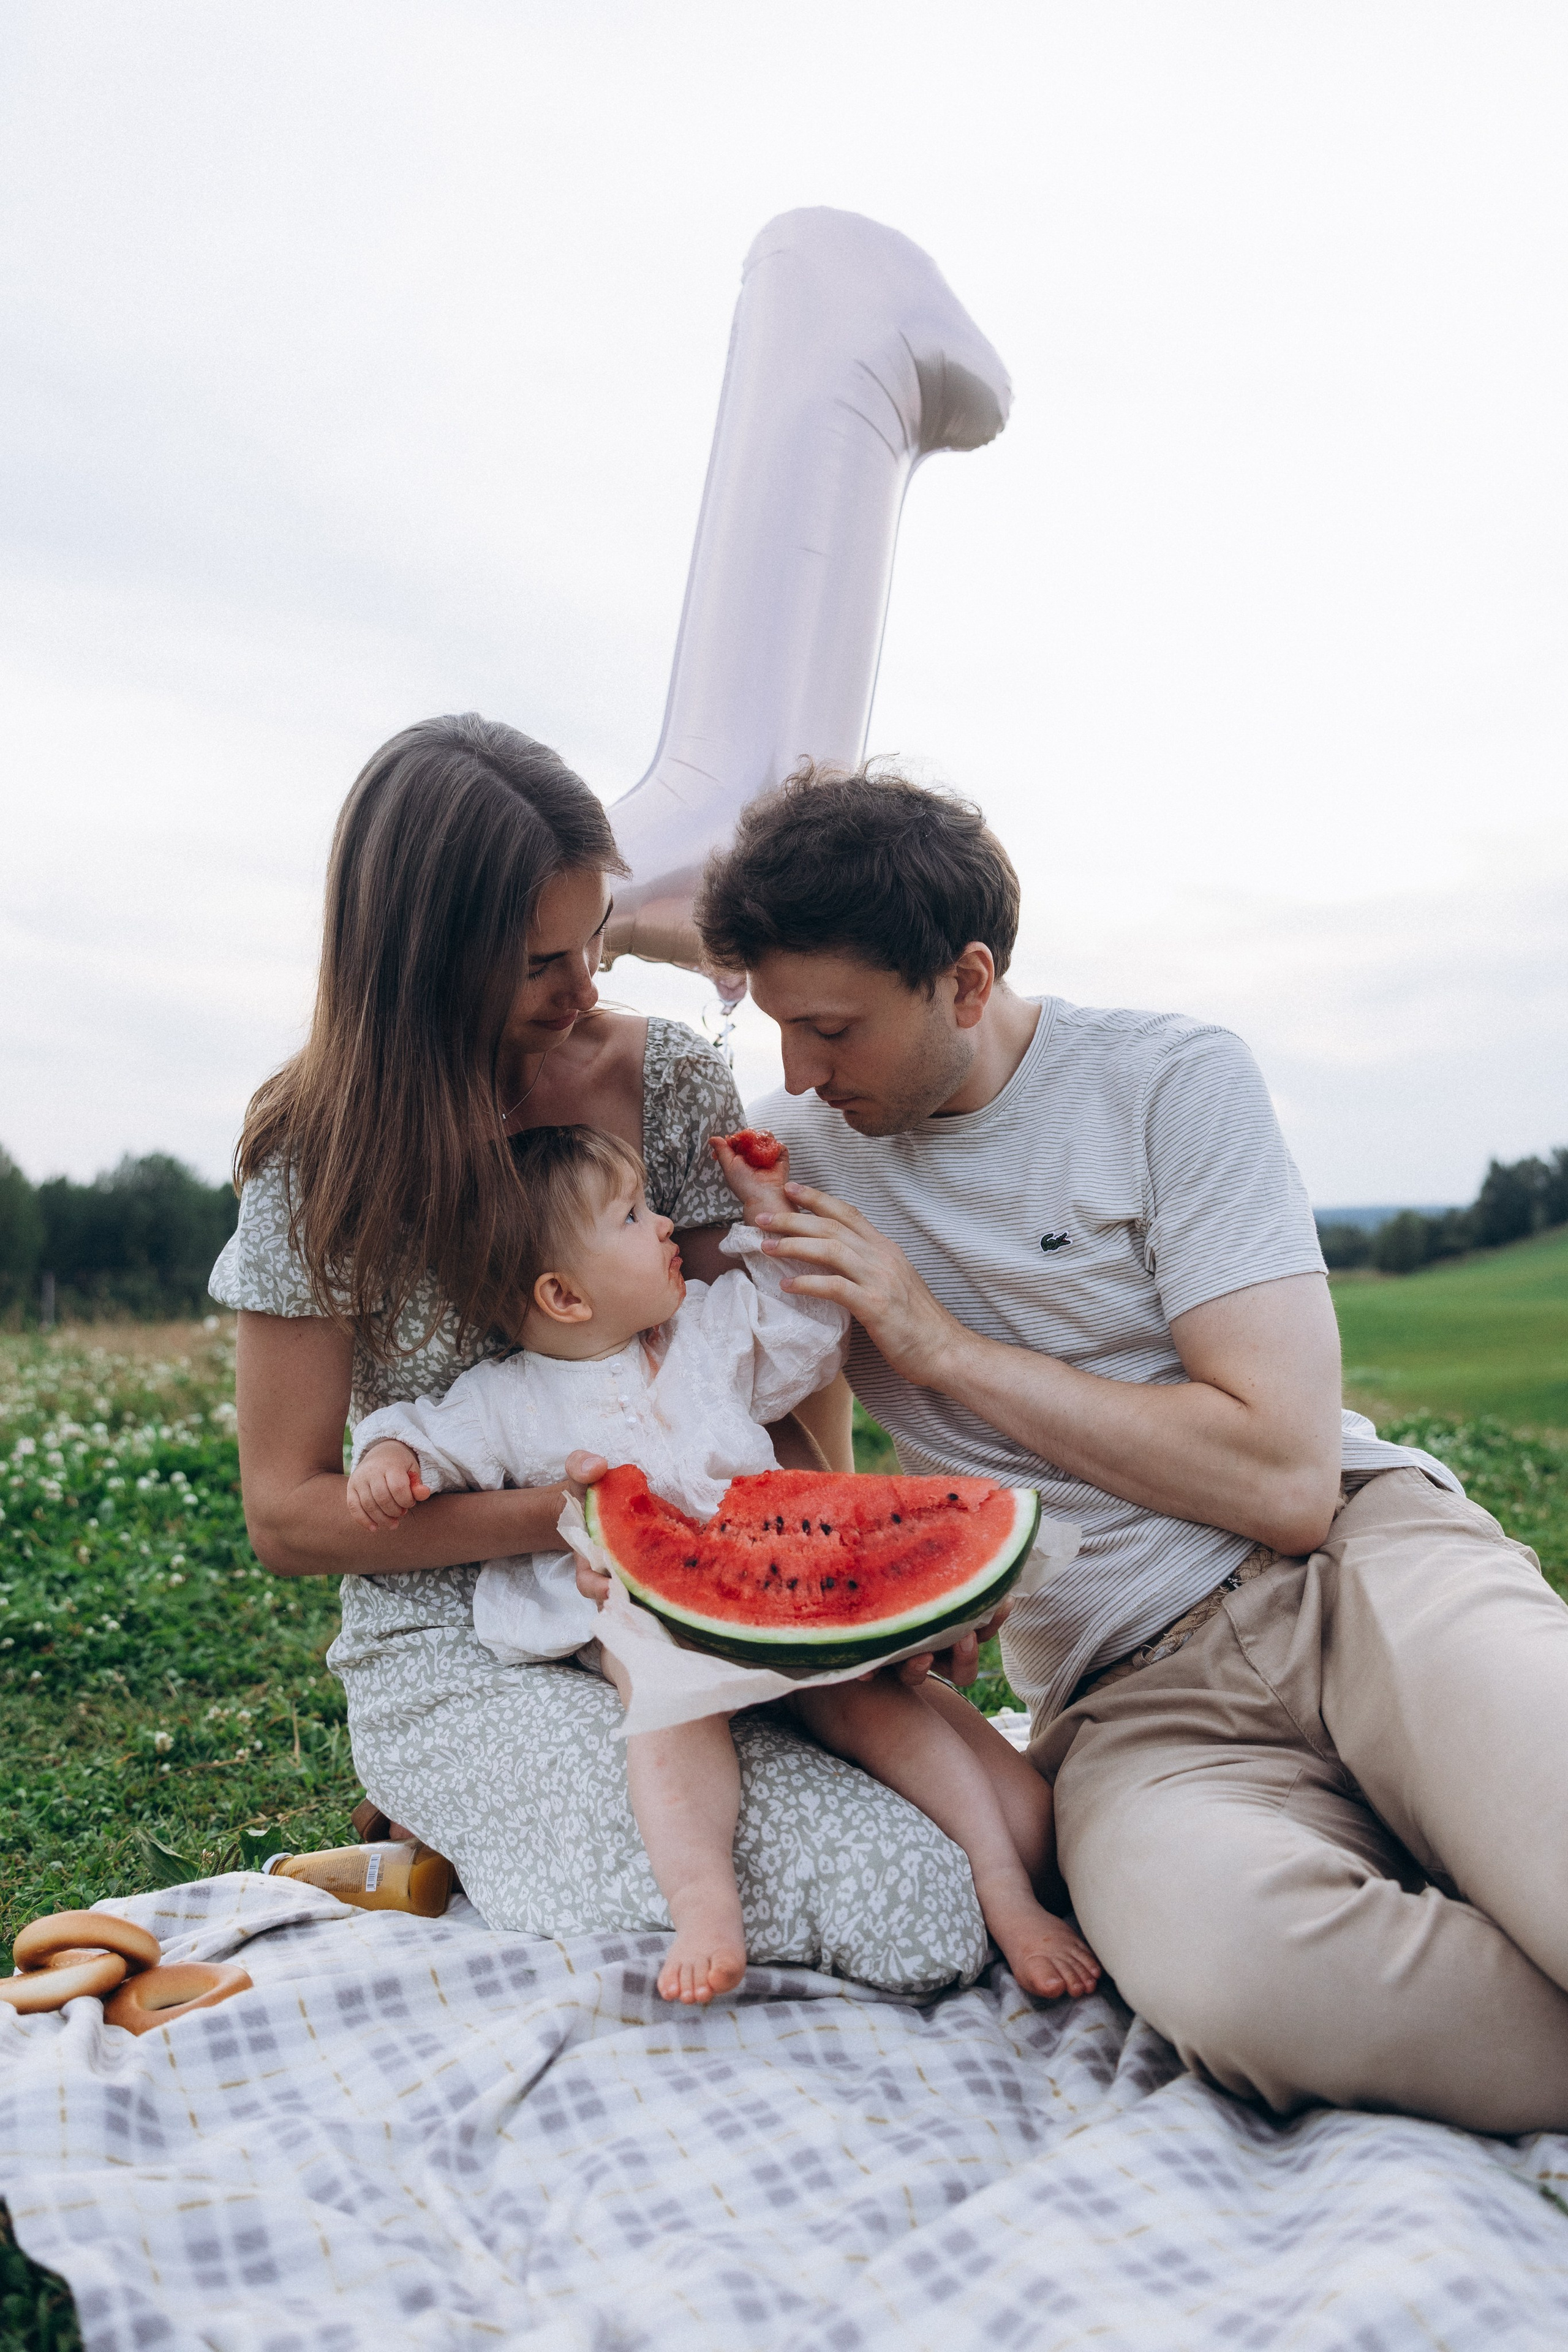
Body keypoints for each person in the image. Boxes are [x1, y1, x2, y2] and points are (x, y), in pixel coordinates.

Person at [692, 761, 1568, 2135]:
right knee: (1252, 1984)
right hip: (1124, 1697)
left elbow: (1284, 1480)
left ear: (965, 982)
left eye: (833, 1029)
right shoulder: (787, 1165)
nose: (800, 1072)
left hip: (1361, 1575)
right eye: (780, 1026)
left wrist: (938, 1348)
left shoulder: (1169, 1079)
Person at [206, 715, 994, 1987]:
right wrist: (583, 1514)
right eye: (539, 963)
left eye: (593, 938)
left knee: (1001, 1830)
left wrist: (836, 1575)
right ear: (421, 960)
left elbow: (754, 1365)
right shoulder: (317, 1159)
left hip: (708, 1595)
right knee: (910, 1898)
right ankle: (456, 1801)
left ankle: (497, 1846)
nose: (584, 986)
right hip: (467, 1641)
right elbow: (287, 1516)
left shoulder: (667, 1080)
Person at [343, 1123, 1099, 2006]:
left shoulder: (705, 1329)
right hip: (641, 1617)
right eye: (633, 1217)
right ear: (564, 1295)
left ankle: (1005, 1890)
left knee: (869, 1700)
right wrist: (388, 1460)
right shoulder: (505, 1399)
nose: (666, 1223)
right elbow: (420, 1433)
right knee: (665, 1712)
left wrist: (766, 1207)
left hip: (776, 1582)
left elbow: (805, 1327)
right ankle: (704, 1904)